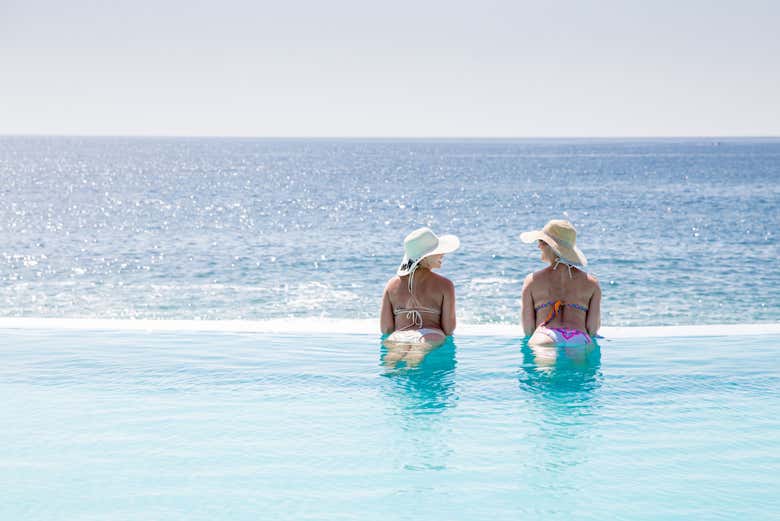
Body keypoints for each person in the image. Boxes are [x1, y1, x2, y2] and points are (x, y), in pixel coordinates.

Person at [520, 220, 601, 346]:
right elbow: (592, 329)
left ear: (551, 246)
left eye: (541, 241)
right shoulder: (592, 283)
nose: (538, 246)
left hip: (544, 336)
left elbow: (528, 329)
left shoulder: (532, 281)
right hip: (578, 337)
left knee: (542, 365)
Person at [380, 227, 459, 354]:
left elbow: (386, 329)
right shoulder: (445, 285)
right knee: (416, 356)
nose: (443, 254)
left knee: (392, 365)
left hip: (398, 336)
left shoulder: (391, 285)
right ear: (424, 257)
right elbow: (449, 329)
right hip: (431, 335)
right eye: (438, 251)